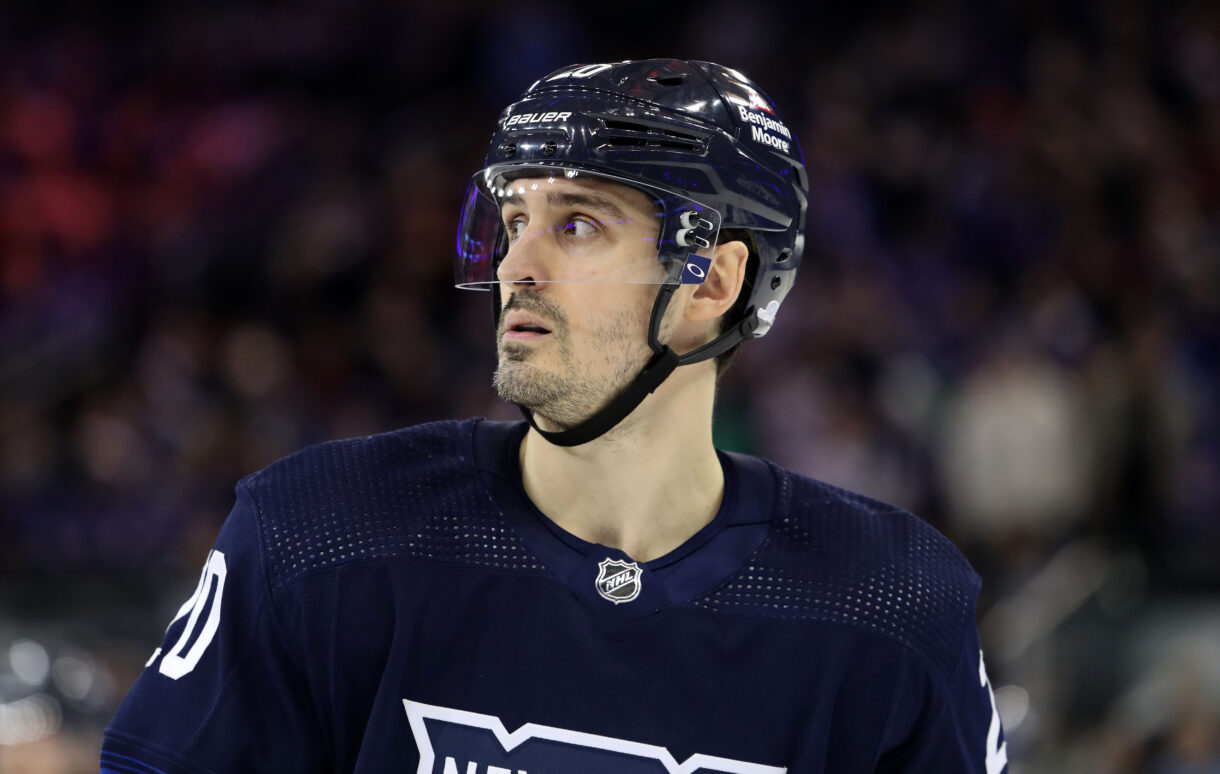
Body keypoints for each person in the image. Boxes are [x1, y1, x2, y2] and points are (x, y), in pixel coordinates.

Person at [101, 59, 1009, 774]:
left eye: (577, 224)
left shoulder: (892, 601)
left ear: (713, 285)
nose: (516, 266)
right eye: (514, 218)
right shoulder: (317, 530)